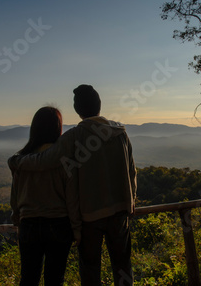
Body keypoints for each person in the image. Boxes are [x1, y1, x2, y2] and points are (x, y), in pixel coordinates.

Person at [9, 85, 136, 286]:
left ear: (77, 110)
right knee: (122, 266)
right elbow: (131, 171)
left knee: (90, 269)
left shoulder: (74, 136)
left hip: (90, 215)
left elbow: (45, 161)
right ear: (99, 106)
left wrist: (17, 162)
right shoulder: (120, 133)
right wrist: (131, 202)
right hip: (120, 211)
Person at [9, 106, 81, 286]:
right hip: (59, 224)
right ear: (58, 128)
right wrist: (77, 228)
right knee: (55, 279)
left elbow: (15, 196)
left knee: (28, 278)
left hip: (29, 224)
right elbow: (72, 198)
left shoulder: (22, 160)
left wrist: (17, 217)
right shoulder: (65, 159)